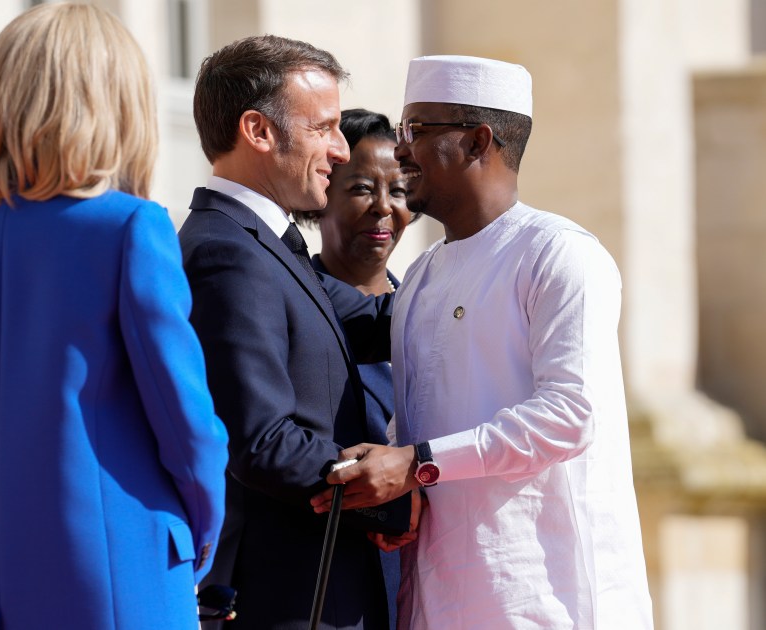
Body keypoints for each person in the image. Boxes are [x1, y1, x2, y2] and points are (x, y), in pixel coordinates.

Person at [0, 4, 228, 629]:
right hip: (115, 568)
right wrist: (198, 533)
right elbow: (187, 427)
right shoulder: (130, 227)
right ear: (117, 104)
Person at [311, 55, 654, 628]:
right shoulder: (420, 276)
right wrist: (394, 467)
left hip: (547, 598)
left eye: (416, 130)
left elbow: (570, 414)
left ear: (478, 140)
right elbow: (419, 418)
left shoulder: (558, 254)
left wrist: (416, 463)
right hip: (437, 597)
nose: (400, 150)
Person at [180, 36, 415, 630]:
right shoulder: (225, 253)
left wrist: (488, 280)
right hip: (292, 598)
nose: (341, 151)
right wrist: (393, 492)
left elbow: (375, 322)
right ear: (258, 131)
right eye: (325, 128)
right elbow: (261, 440)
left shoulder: (265, 245)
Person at [294, 107, 419, 629]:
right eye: (363, 189)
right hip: (341, 580)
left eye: (400, 190)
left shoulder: (426, 303)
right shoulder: (299, 307)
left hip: (438, 571)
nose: (385, 209)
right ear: (323, 194)